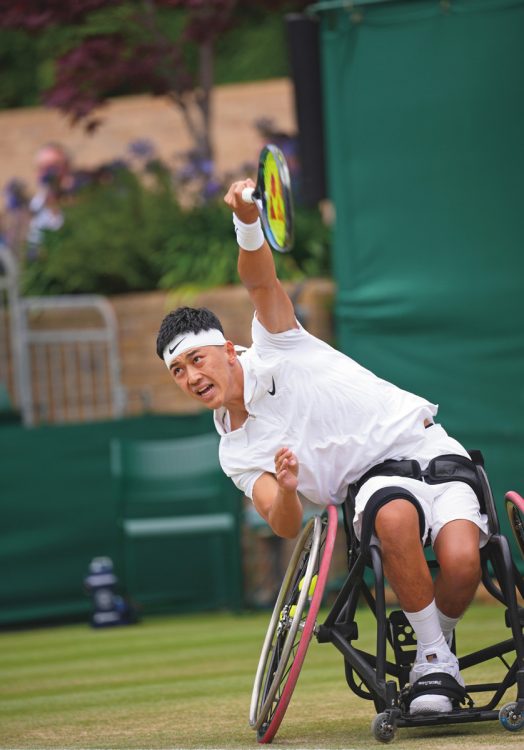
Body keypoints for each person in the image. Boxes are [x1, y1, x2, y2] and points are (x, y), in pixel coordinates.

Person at [156, 177, 489, 716]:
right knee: (397, 518)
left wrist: (245, 219)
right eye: (177, 371)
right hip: (372, 482)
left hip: (431, 446)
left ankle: (433, 646)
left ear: (228, 350)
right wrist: (288, 489)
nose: (191, 376)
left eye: (196, 360)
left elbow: (261, 284)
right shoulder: (235, 450)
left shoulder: (277, 342)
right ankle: (433, 661)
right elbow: (283, 523)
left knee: (462, 565)